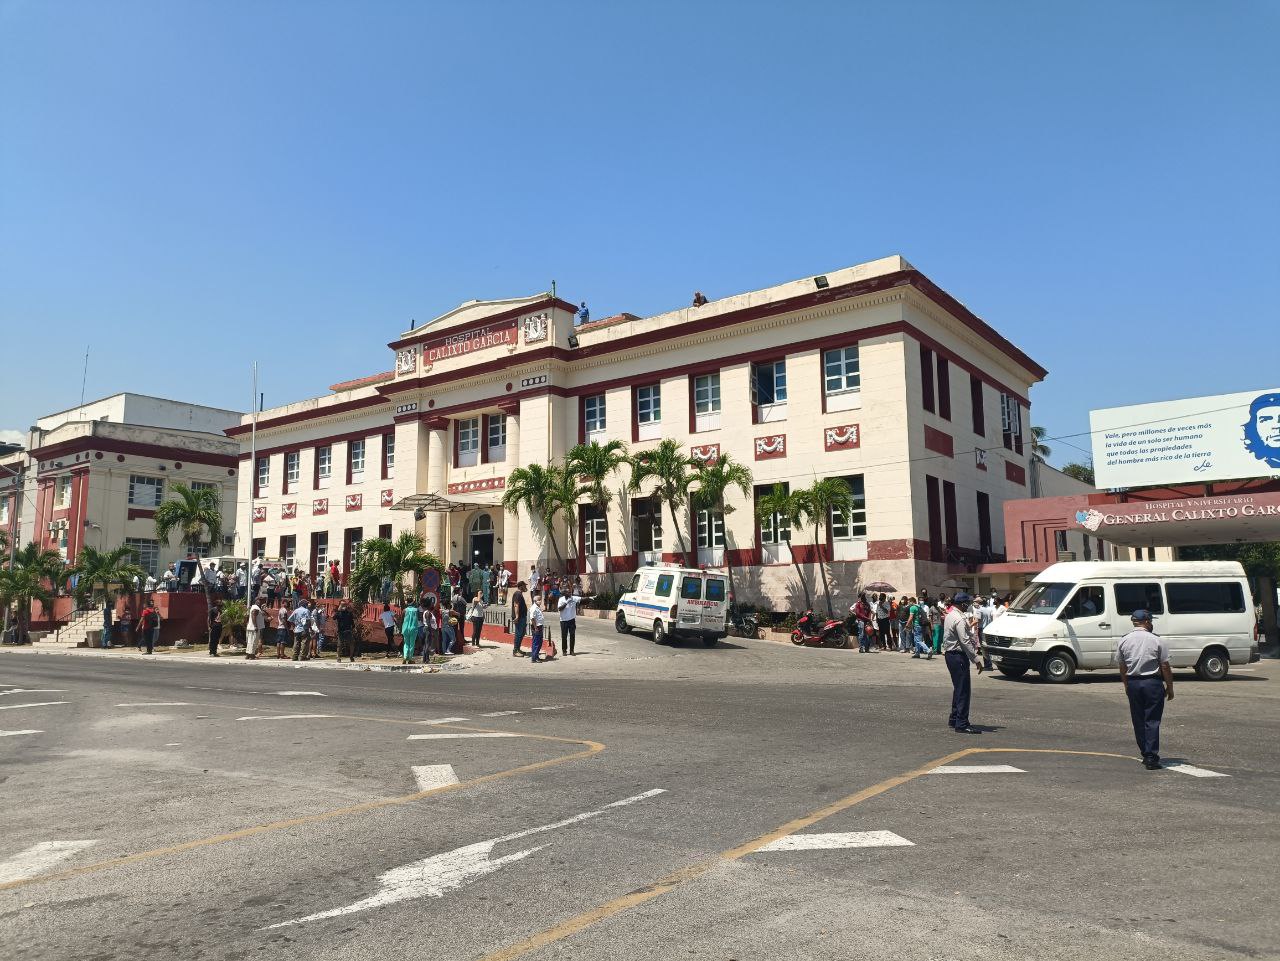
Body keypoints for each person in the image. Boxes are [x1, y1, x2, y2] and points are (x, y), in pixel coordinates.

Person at [1116, 610, 1174, 769]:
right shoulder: (1157, 640)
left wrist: (1126, 685)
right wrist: (1170, 687)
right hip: (1152, 683)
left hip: (1134, 682)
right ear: (1147, 621)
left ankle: (1145, 751)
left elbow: (1122, 666)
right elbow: (1165, 666)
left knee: (1138, 719)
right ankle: (1151, 756)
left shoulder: (1124, 640)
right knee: (1152, 719)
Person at [943, 593, 984, 733]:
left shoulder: (950, 615)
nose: (970, 605)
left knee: (958, 688)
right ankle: (962, 723)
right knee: (963, 690)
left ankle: (954, 719)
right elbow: (964, 641)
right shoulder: (959, 618)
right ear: (963, 604)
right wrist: (976, 659)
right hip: (958, 656)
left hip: (950, 655)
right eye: (968, 603)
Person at [557, 587, 593, 656]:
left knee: (572, 635)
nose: (570, 593)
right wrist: (566, 603)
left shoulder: (573, 598)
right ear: (564, 594)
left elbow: (581, 599)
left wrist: (590, 598)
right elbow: (560, 609)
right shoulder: (561, 599)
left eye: (570, 592)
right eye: (568, 592)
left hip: (572, 620)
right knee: (564, 636)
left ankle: (572, 651)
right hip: (563, 621)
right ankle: (564, 651)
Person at [510, 580, 529, 657]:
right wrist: (517, 616)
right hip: (519, 617)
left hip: (522, 617)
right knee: (518, 633)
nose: (526, 587)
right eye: (524, 586)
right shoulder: (518, 594)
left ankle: (518, 648)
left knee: (522, 633)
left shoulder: (520, 594)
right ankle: (515, 651)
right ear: (521, 586)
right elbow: (516, 605)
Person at [400, 599, 420, 664]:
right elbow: (419, 618)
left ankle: (405, 657)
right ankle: (410, 658)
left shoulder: (404, 610)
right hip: (413, 629)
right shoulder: (416, 610)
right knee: (412, 644)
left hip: (405, 628)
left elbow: (402, 620)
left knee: (406, 643)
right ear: (413, 603)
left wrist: (400, 629)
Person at [529, 593, 546, 663]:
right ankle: (534, 658)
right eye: (539, 600)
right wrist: (535, 627)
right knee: (536, 642)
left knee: (539, 642)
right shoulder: (534, 608)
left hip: (539, 626)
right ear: (535, 601)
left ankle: (536, 656)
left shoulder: (537, 607)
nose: (540, 601)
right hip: (536, 626)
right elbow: (532, 618)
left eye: (540, 599)